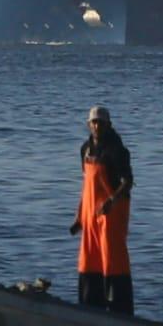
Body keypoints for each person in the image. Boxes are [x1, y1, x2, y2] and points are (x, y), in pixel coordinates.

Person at [69, 105, 135, 314]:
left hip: (111, 216)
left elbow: (128, 182)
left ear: (109, 125)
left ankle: (119, 311)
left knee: (113, 262)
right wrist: (79, 216)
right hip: (90, 216)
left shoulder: (117, 151)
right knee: (89, 262)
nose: (97, 126)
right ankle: (90, 309)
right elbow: (86, 184)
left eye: (101, 122)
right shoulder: (85, 150)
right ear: (88, 125)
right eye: (94, 122)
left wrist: (111, 201)